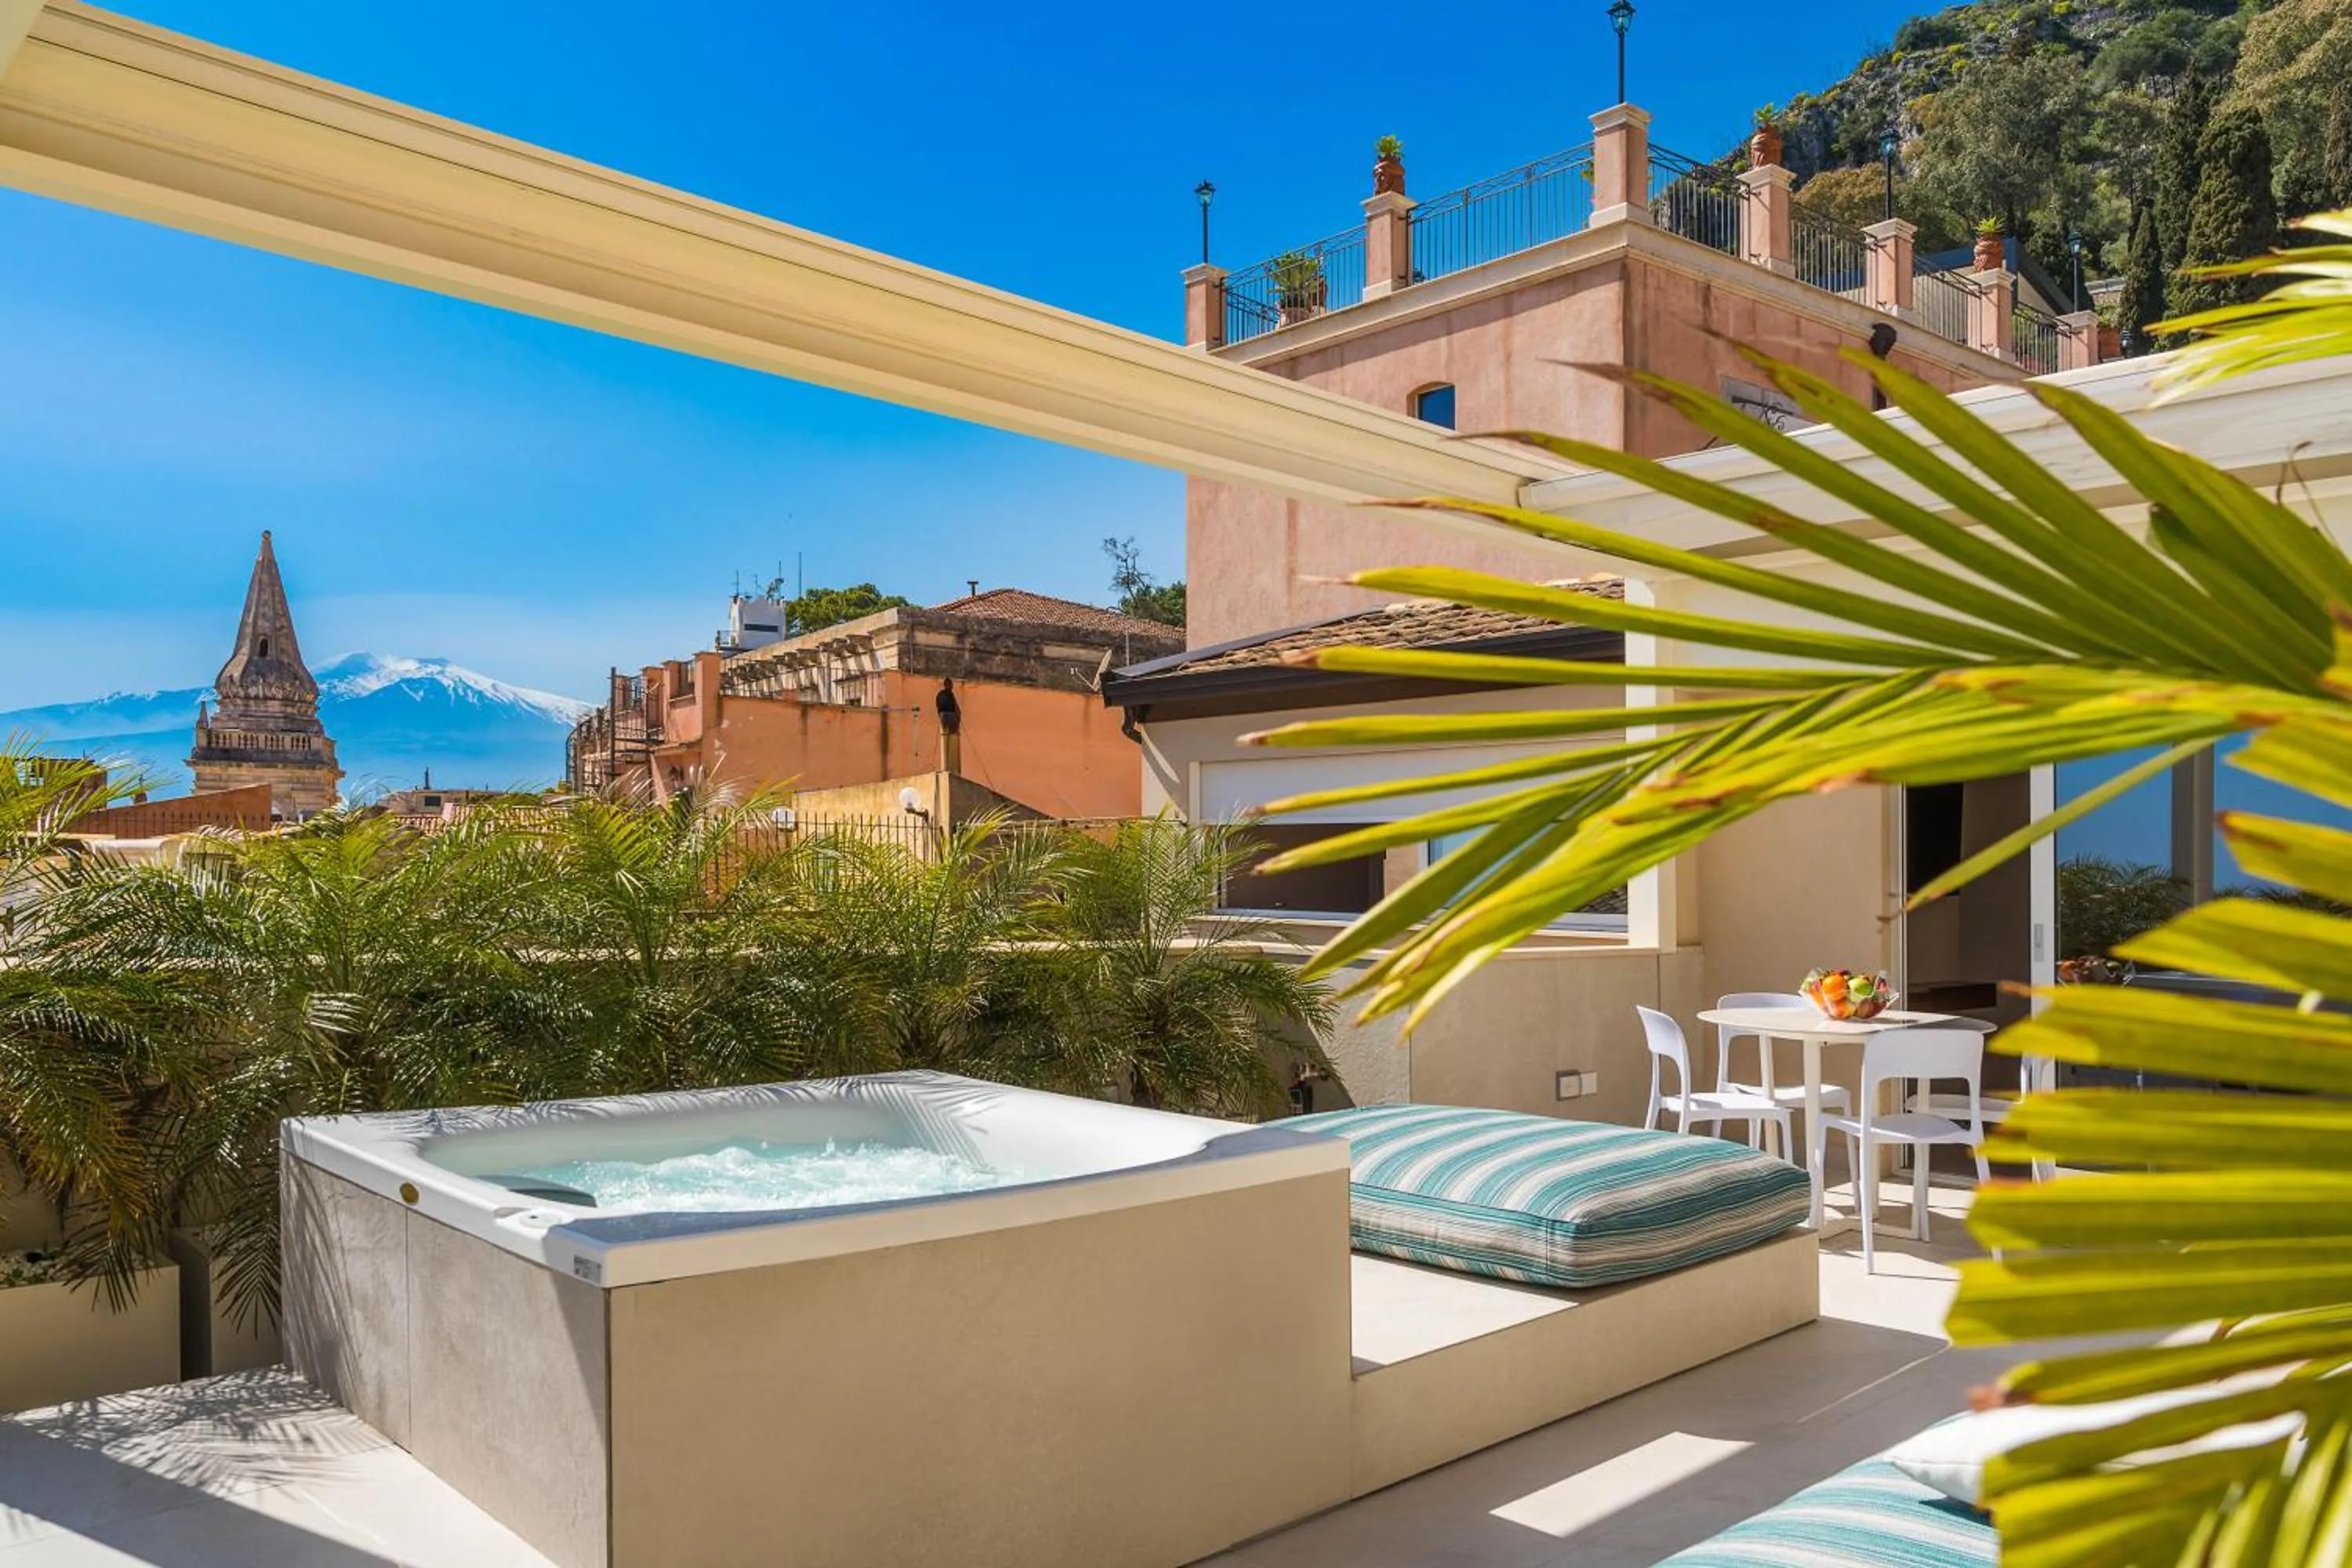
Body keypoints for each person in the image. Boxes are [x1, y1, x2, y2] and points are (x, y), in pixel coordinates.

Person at [935, 678, 963, 774]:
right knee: (950, 736)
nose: (952, 687)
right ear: (947, 685)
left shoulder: (944, 695)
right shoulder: (947, 695)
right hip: (948, 717)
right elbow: (956, 709)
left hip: (944, 716)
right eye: (951, 685)